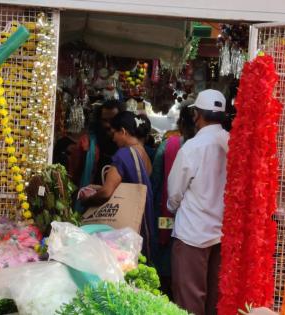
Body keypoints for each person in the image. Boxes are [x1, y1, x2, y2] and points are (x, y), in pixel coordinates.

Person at [167, 89, 229, 315]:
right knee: (216, 301)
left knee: (188, 302)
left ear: (197, 116)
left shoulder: (192, 148)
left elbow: (174, 192)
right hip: (222, 235)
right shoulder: (232, 144)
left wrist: (172, 209)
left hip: (192, 234)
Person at [79, 111, 155, 260]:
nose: (113, 138)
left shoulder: (123, 154)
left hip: (127, 229)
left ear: (123, 131)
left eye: (114, 133)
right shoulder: (143, 153)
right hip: (143, 220)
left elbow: (107, 192)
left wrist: (87, 201)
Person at [150, 101, 196, 297]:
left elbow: (156, 182)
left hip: (166, 213)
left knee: (164, 253)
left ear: (182, 124)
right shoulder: (215, 147)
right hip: (198, 222)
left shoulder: (169, 145)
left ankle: (165, 292)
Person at [72, 100, 126, 212]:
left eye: (112, 120)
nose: (107, 125)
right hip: (89, 203)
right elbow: (74, 174)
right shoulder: (86, 143)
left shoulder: (126, 148)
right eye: (104, 120)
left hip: (116, 206)